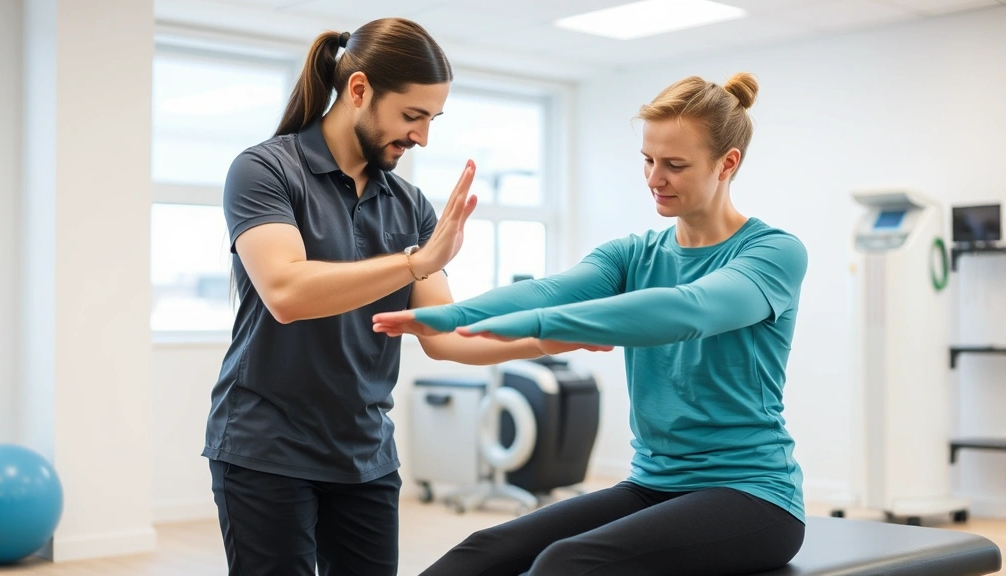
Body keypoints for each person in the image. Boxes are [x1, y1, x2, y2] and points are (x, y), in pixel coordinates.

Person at [201, 17, 609, 576]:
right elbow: (286, 292)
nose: (422, 137)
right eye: (412, 116)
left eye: (432, 119)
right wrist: (416, 262)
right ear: (359, 90)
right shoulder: (266, 170)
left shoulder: (408, 204)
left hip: (365, 455)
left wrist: (555, 338)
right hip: (266, 448)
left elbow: (441, 334)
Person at [373, 72, 809, 576]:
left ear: (726, 164)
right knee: (485, 550)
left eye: (674, 165)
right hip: (654, 484)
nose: (653, 178)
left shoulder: (772, 253)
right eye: (647, 160)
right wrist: (453, 313)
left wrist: (541, 324)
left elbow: (689, 310)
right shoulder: (632, 254)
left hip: (753, 496)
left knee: (568, 562)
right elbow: (549, 289)